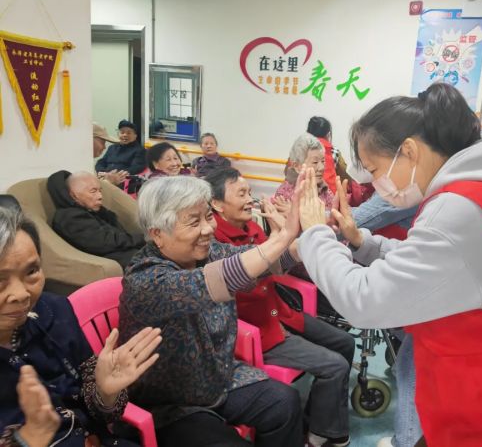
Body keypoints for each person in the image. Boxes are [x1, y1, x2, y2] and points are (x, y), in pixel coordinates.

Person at [295, 82, 482, 446]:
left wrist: (315, 234)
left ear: (408, 151)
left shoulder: (460, 208)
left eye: (375, 170)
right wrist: (362, 243)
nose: (377, 184)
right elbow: (443, 265)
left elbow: (364, 301)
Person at [118, 176, 304, 447]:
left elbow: (259, 263)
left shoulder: (207, 252)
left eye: (208, 217)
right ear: (157, 233)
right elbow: (218, 279)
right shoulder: (146, 280)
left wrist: (310, 238)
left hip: (219, 379)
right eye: (194, 222)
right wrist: (283, 236)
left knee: (284, 403)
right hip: (172, 405)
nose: (208, 229)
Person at [205, 167, 354, 447]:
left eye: (250, 192)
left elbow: (279, 260)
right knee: (334, 366)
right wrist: (288, 230)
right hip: (257, 330)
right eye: (241, 194)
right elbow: (255, 271)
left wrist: (313, 232)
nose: (250, 199)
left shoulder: (250, 227)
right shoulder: (214, 243)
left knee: (344, 342)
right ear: (217, 204)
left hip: (278, 314)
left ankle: (317, 421)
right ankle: (319, 435)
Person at [0, 207, 162, 447]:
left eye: (31, 272)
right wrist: (29, 440)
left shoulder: (54, 312)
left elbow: (99, 411)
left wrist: (106, 392)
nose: (21, 294)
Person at [47, 171, 145, 269]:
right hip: (111, 263)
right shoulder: (69, 217)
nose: (100, 196)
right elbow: (105, 242)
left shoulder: (91, 211)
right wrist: (143, 238)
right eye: (93, 191)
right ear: (73, 195)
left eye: (100, 191)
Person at [307, 116, 374, 205]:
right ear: (328, 134)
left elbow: (289, 172)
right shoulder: (333, 152)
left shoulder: (300, 150)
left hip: (303, 197)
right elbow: (345, 175)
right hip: (328, 200)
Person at [274, 133, 333, 211]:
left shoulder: (323, 187)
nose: (322, 168)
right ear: (297, 166)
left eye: (323, 161)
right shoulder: (284, 195)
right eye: (315, 162)